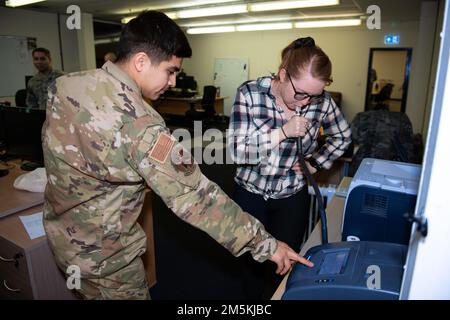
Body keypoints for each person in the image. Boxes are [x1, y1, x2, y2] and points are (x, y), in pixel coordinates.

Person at [42, 11, 312, 300]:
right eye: (170, 71)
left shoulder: (67, 84)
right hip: (107, 261)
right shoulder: (140, 125)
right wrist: (268, 245)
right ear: (141, 61)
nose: (172, 82)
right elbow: (197, 198)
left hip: (64, 240)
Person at [228, 36, 352, 299]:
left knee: (285, 264)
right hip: (251, 194)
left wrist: (315, 163)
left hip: (291, 196)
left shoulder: (321, 102)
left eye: (314, 95)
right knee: (251, 264)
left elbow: (343, 136)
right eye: (301, 93)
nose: (306, 102)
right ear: (283, 75)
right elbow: (237, 150)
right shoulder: (250, 93)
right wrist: (282, 132)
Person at [349, 103, 417, 176]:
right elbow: (408, 142)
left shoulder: (361, 116)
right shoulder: (402, 117)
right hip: (393, 163)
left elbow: (352, 137)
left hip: (365, 160)